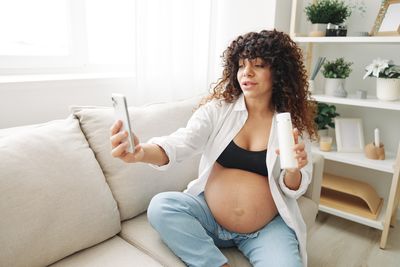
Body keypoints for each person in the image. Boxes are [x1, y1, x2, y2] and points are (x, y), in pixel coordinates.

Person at [110, 29, 317, 267]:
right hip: (209, 216)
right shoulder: (218, 110)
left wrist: (294, 171)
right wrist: (141, 152)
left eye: (258, 65)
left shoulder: (290, 125)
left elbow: (294, 189)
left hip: (266, 228)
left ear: (279, 72)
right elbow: (182, 142)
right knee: (161, 206)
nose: (246, 72)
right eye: (240, 65)